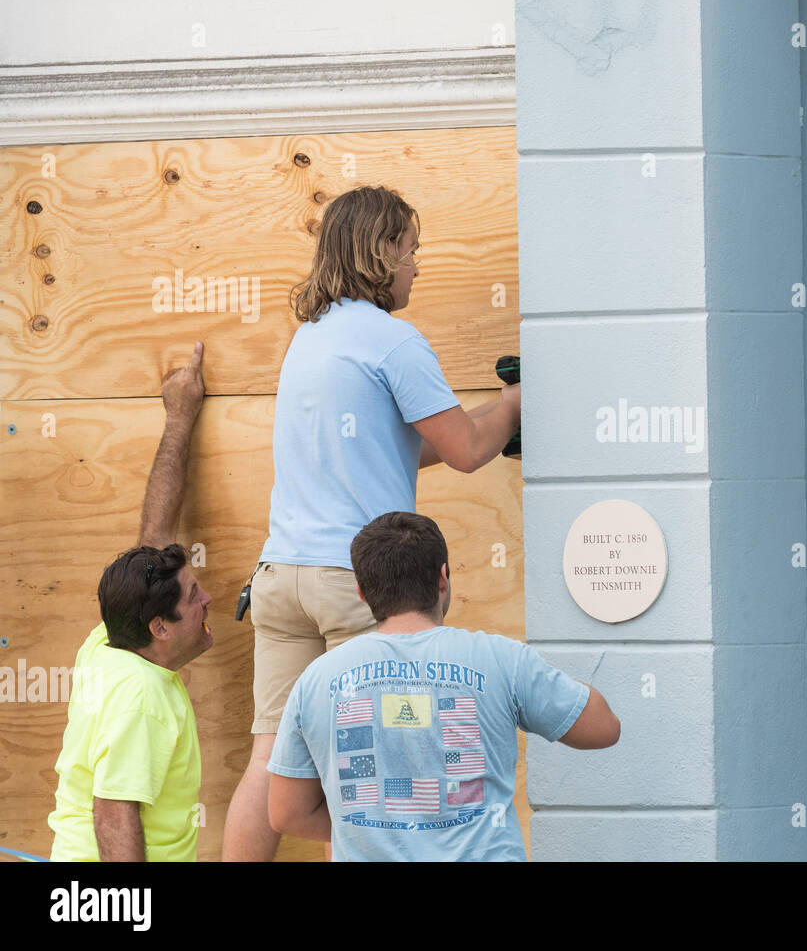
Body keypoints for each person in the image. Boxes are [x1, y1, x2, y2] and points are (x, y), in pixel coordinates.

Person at [224, 186, 523, 860]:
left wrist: (483, 416)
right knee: (371, 774)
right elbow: (467, 452)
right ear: (382, 251)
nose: (418, 265)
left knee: (269, 764)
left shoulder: (311, 339)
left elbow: (408, 447)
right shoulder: (394, 341)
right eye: (412, 250)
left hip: (281, 579)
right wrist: (513, 404)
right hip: (354, 585)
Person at [266, 511, 619, 860]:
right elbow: (603, 729)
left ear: (361, 590)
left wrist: (376, 828)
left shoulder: (316, 680)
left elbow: (286, 814)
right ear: (443, 578)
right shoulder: (502, 659)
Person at [47, 342, 210, 861]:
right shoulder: (142, 698)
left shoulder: (109, 641)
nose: (207, 597)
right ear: (160, 627)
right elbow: (113, 810)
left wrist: (179, 417)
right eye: (192, 595)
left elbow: (154, 533)